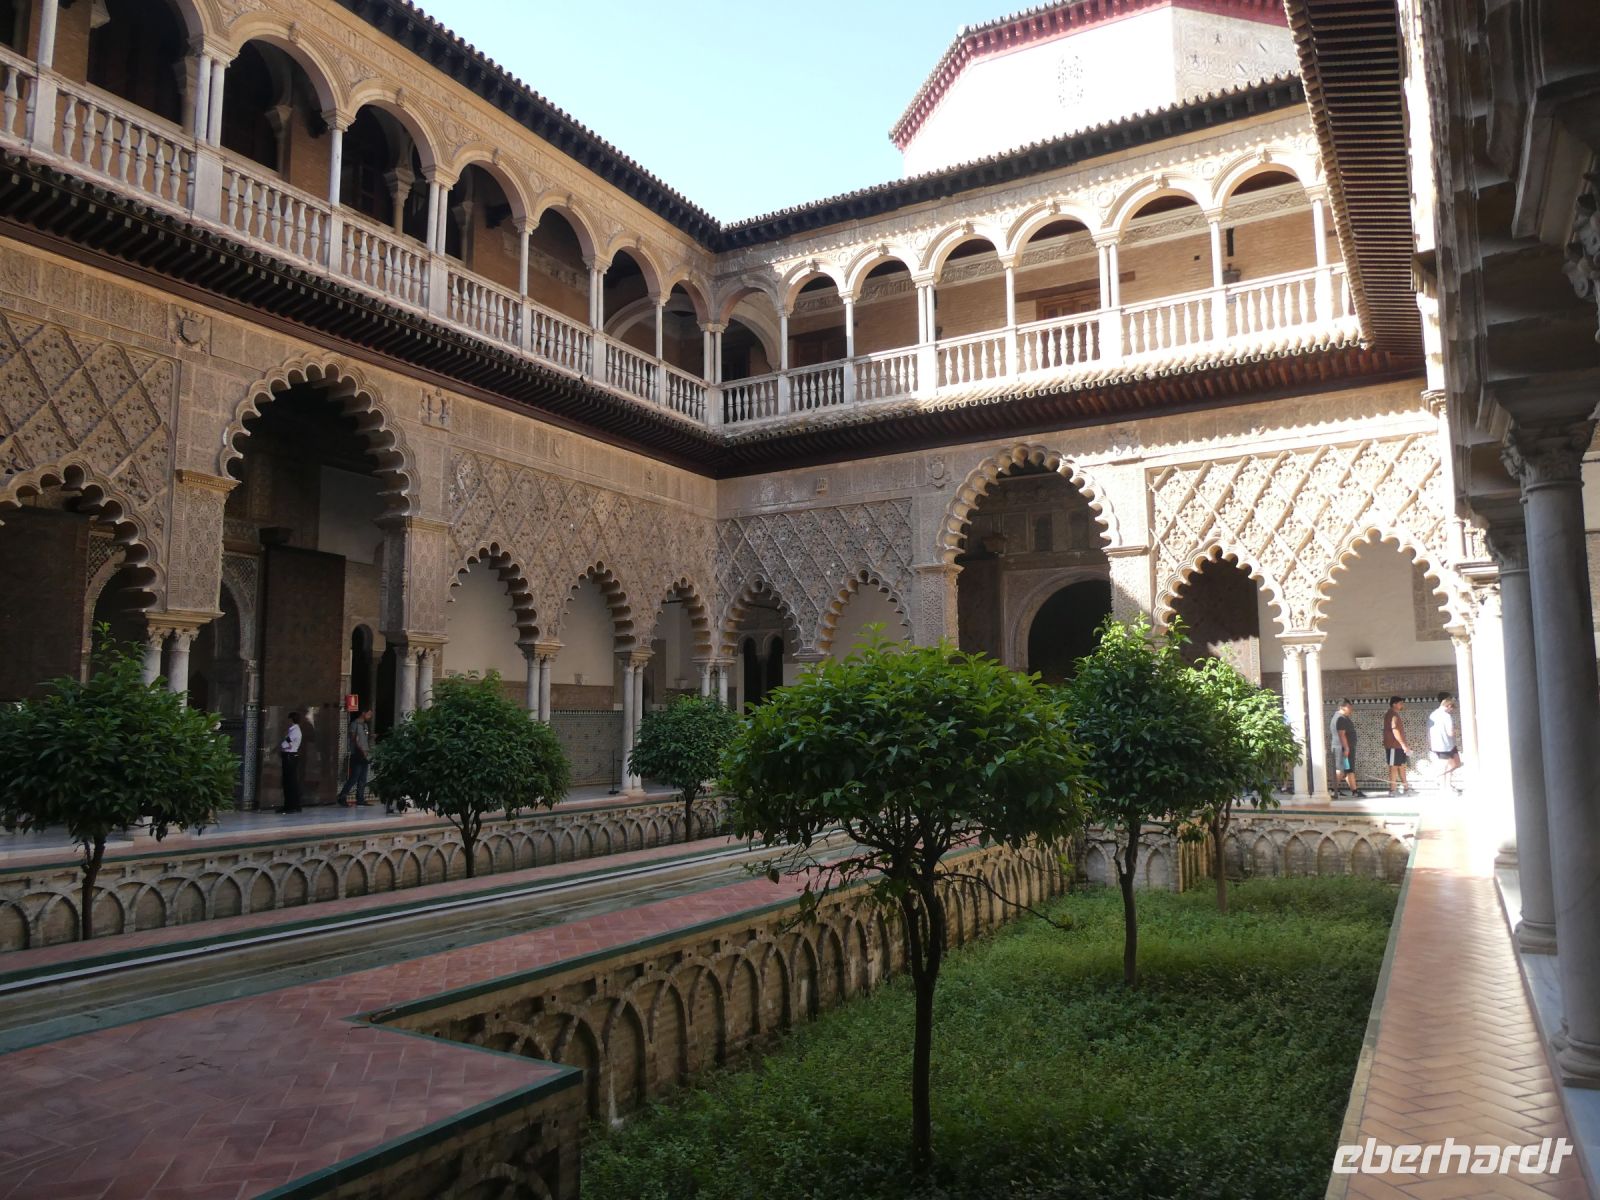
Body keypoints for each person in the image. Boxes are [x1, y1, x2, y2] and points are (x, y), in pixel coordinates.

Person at [1428, 691, 1463, 793]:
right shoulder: (1446, 716)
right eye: (1451, 708)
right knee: (1445, 766)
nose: (1452, 710)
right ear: (1448, 705)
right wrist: (1458, 731)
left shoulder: (1433, 714)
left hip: (1444, 745)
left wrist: (1431, 744)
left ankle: (1447, 785)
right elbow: (1450, 733)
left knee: (1454, 763)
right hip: (1444, 745)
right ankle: (1444, 787)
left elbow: (1429, 731)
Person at [337, 708, 372, 807]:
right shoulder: (354, 724)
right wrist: (360, 749)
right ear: (363, 713)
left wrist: (371, 738)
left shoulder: (365, 725)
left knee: (363, 778)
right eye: (369, 714)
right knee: (354, 777)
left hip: (365, 754)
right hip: (357, 754)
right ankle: (342, 796)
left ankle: (360, 798)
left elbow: (364, 739)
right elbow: (353, 739)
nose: (370, 717)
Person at [1330, 699, 1365, 798]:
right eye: (1349, 707)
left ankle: (1354, 791)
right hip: (1342, 749)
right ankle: (1332, 790)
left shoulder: (1342, 717)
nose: (1351, 709)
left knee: (1348, 769)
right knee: (1341, 770)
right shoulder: (1340, 718)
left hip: (1344, 749)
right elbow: (1341, 734)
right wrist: (1346, 748)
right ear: (1342, 707)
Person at [1383, 696, 1413, 796]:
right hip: (1393, 746)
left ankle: (1406, 788)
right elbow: (1395, 730)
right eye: (1400, 703)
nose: (1402, 705)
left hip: (1398, 746)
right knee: (1394, 768)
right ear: (1394, 704)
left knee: (1401, 766)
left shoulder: (1394, 714)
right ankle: (1392, 790)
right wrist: (1404, 745)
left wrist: (1404, 745)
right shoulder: (1392, 715)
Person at [279, 711, 305, 813]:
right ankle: (291, 805)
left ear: (291, 719)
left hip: (290, 756)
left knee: (290, 782)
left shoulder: (295, 731)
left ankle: (291, 806)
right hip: (290, 756)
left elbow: (286, 744)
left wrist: (284, 745)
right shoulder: (293, 730)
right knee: (289, 782)